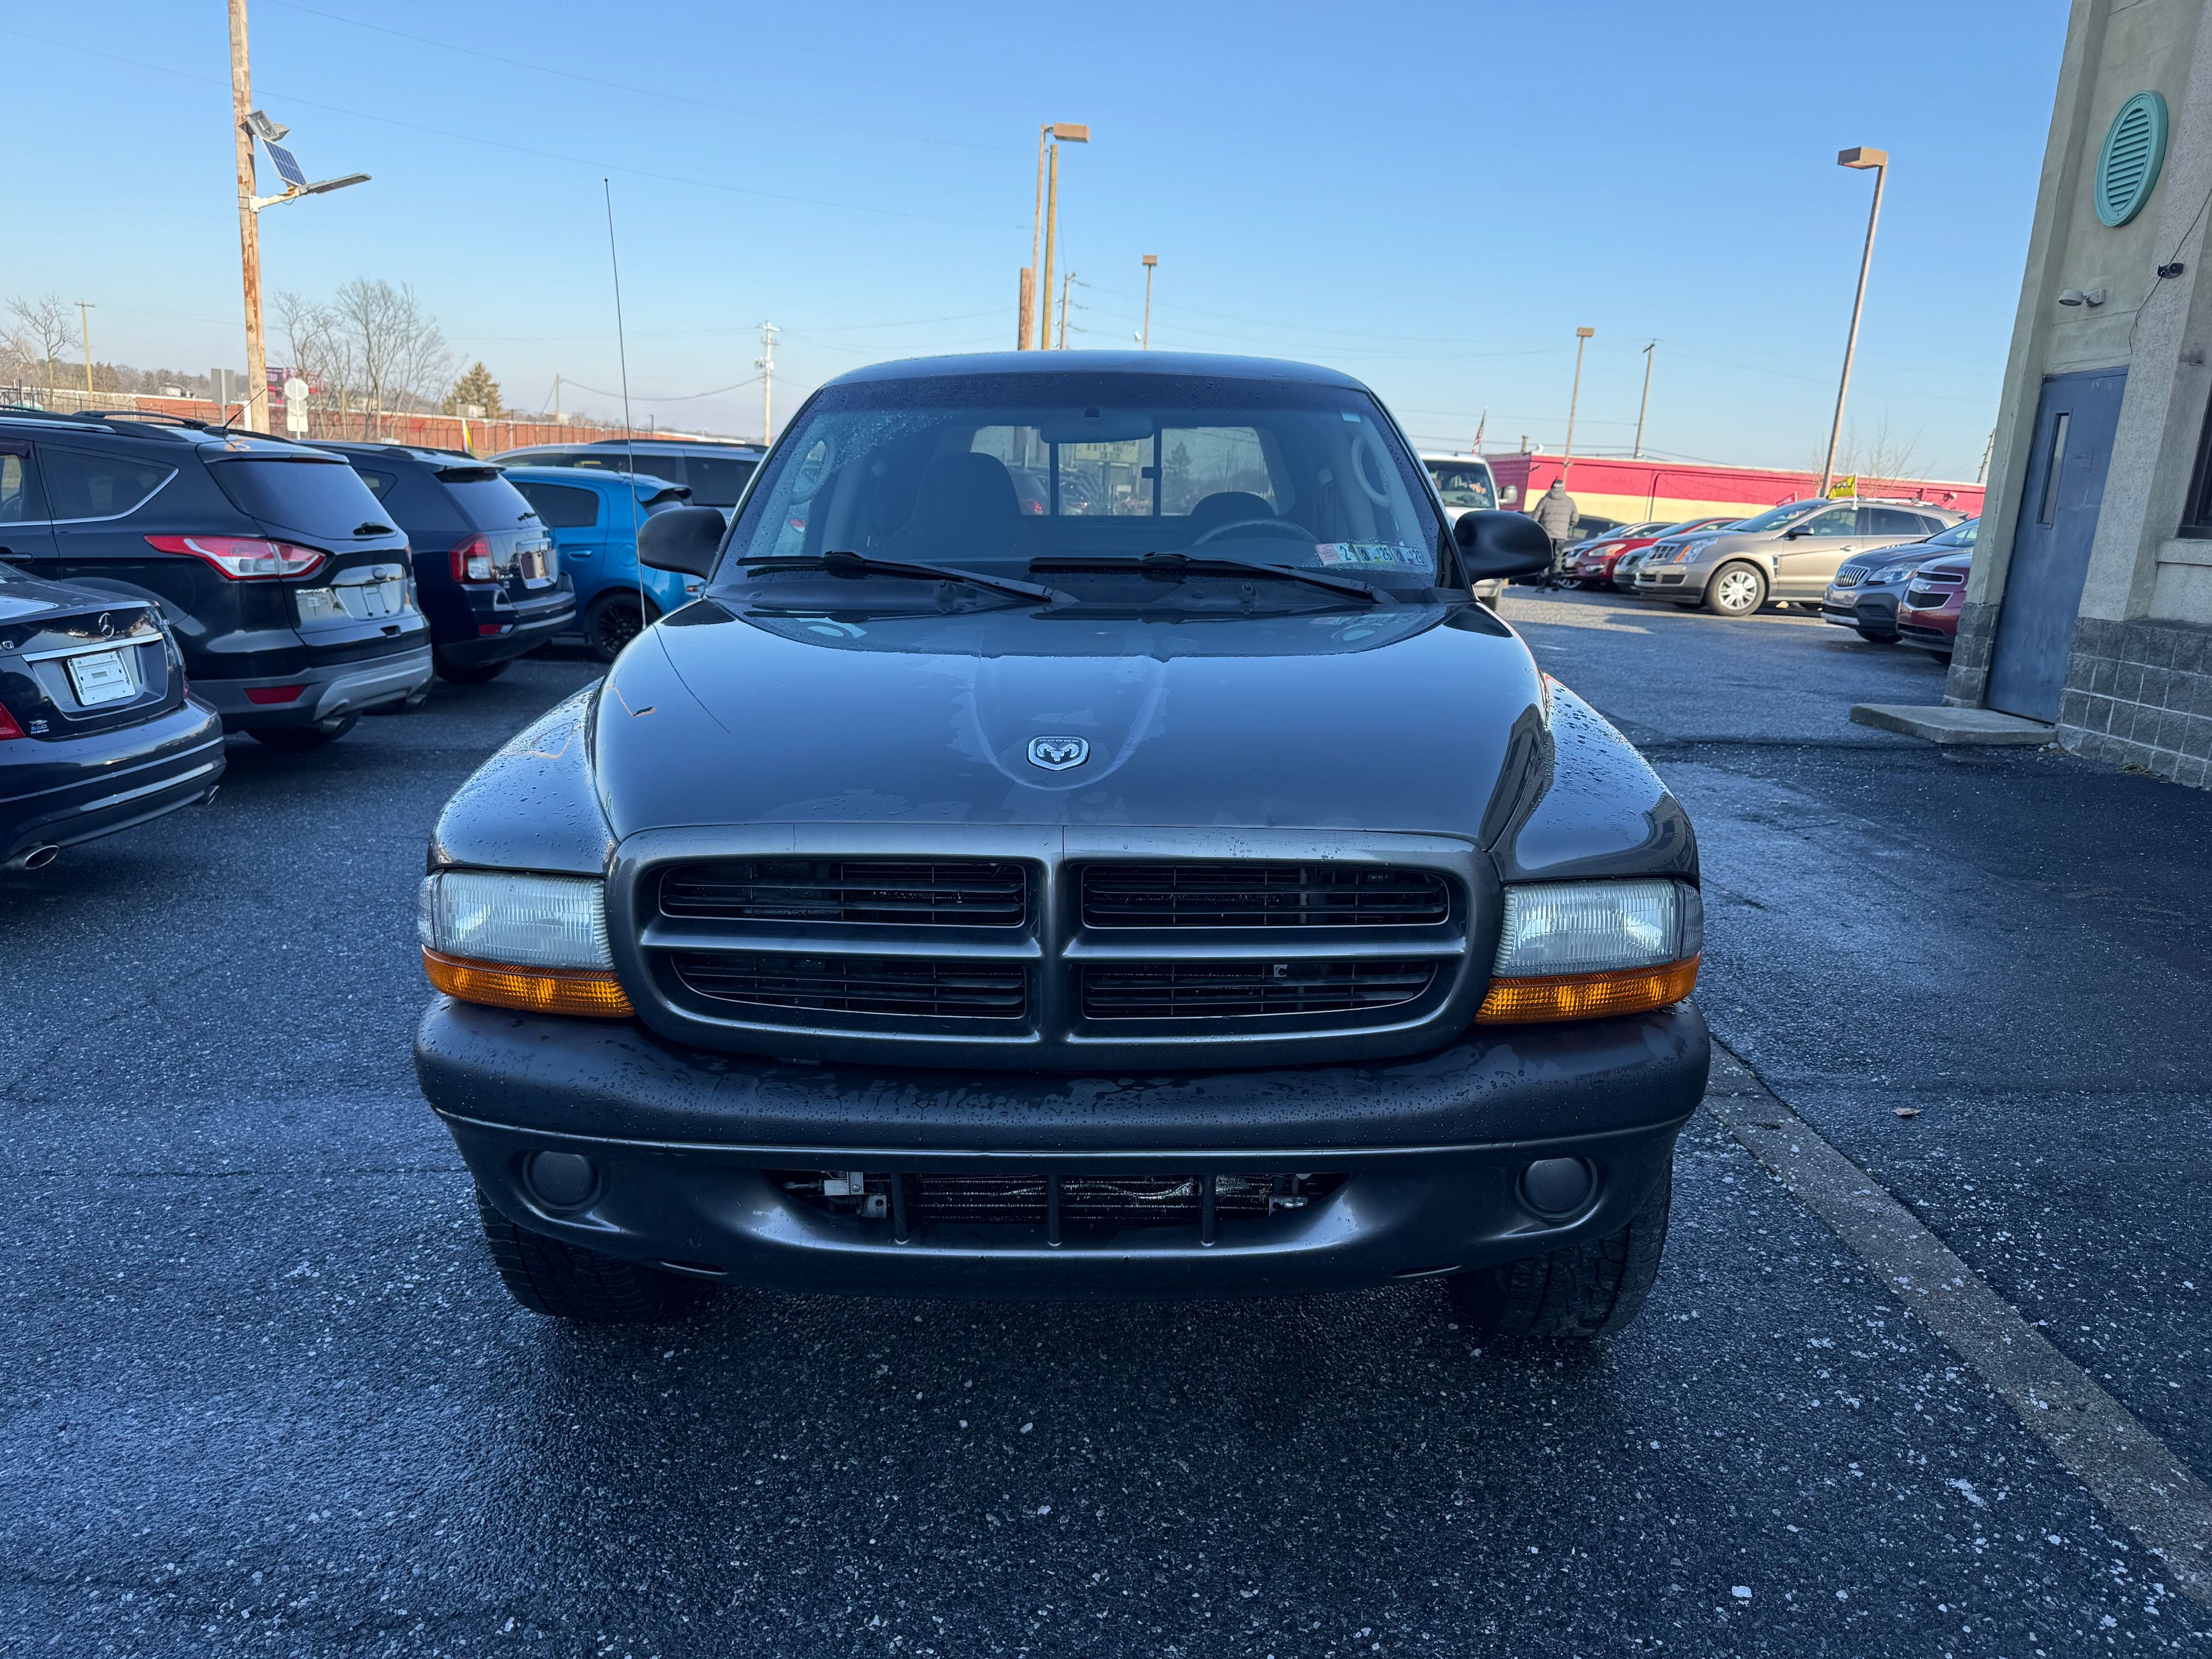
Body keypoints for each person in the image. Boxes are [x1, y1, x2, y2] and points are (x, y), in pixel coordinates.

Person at [1531, 478, 1578, 584]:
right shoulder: (1569, 502)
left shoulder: (1545, 500)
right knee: (1558, 558)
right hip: (1561, 536)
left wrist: (1536, 530)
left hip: (1546, 535)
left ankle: (1542, 583)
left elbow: (1535, 517)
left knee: (1545, 557)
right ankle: (1555, 581)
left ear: (1551, 487)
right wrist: (1567, 528)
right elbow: (1575, 519)